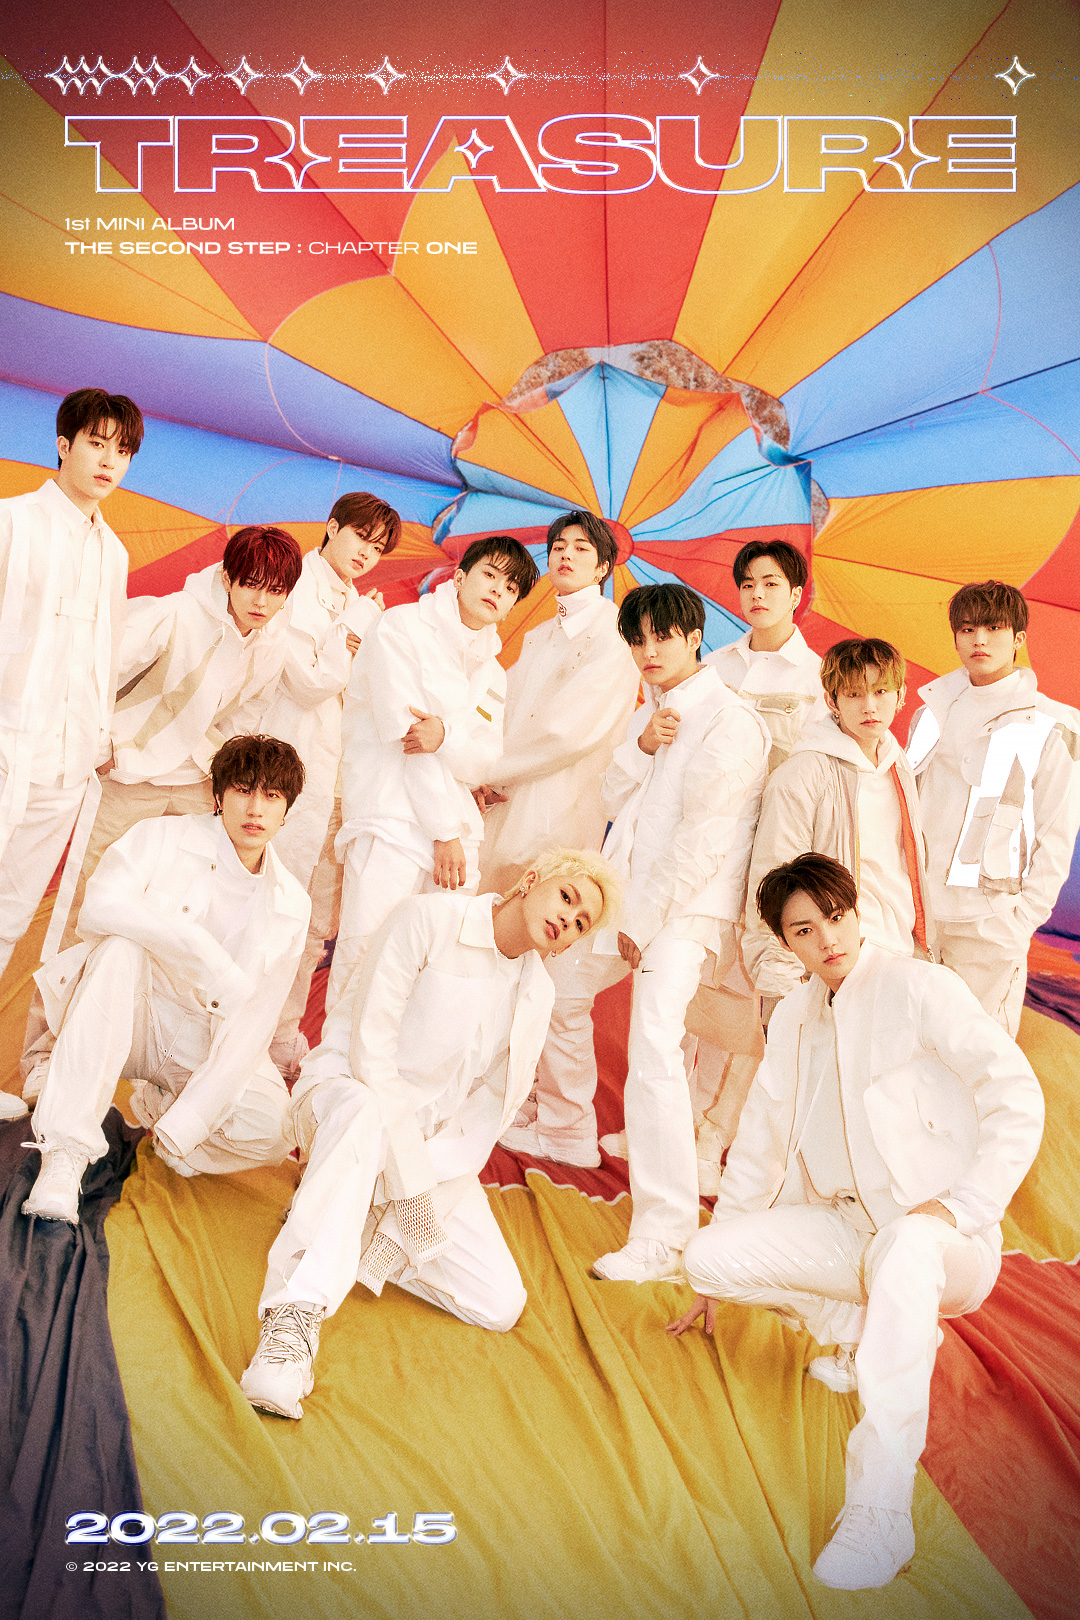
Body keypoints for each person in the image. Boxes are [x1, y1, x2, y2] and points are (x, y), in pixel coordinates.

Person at [671, 854, 1043, 1591]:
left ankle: (881, 1509)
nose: (827, 940)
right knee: (706, 1259)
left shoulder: (918, 987)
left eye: (835, 918)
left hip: (948, 1242)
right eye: (804, 931)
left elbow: (1017, 1094)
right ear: (787, 942)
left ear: (855, 912)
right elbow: (759, 1143)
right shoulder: (795, 1019)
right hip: (853, 1232)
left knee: (905, 1247)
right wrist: (714, 1283)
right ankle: (866, 1331)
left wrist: (962, 1205)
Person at [239, 847, 619, 1420]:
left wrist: (423, 1192)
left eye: (581, 923)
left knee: (500, 1302)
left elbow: (487, 1114)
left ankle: (344, 1214)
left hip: (428, 1152)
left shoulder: (536, 995)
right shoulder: (427, 918)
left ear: (568, 945)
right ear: (531, 879)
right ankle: (291, 1324)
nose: (568, 918)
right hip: (344, 1100)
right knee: (365, 1112)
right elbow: (370, 1051)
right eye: (567, 898)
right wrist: (409, 1181)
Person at [508, 584, 769, 1280]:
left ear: (694, 637)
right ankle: (568, 1127)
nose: (649, 652)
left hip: (686, 913)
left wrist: (647, 923)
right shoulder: (650, 714)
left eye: (663, 637)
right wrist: (643, 747)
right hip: (626, 897)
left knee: (654, 1051)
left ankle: (665, 1235)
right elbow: (611, 797)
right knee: (558, 989)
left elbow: (705, 839)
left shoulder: (730, 721)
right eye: (638, 640)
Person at [21, 736, 311, 1226]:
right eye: (243, 790)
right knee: (120, 949)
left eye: (272, 796)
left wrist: (190, 1123)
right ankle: (65, 1157)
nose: (255, 809)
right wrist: (206, 956)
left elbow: (255, 1021)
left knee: (276, 1128)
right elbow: (100, 907)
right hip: (130, 1009)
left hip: (200, 1039)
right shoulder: (160, 836)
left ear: (287, 811)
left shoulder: (292, 902)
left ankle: (160, 1109)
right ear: (218, 796)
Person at [49, 524, 303, 952]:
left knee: (183, 896)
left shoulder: (273, 642)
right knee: (92, 890)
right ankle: (60, 997)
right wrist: (105, 746)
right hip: (130, 775)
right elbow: (97, 670)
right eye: (252, 585)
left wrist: (222, 778)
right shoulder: (177, 613)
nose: (262, 602)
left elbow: (247, 714)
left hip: (199, 784)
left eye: (275, 591)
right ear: (228, 578)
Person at [327, 535, 539, 1008]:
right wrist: (443, 830)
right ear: (460, 577)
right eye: (490, 575)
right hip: (391, 817)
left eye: (510, 588)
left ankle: (398, 1057)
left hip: (459, 837)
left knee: (432, 967)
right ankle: (337, 1056)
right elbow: (408, 741)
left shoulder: (493, 672)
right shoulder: (401, 627)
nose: (497, 590)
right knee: (366, 955)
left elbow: (484, 759)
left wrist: (447, 735)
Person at [0, 388, 143, 983]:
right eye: (97, 443)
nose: (109, 461)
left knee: (9, 916)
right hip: (6, 742)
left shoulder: (115, 553)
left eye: (123, 451)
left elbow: (105, 655)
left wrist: (98, 739)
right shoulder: (11, 521)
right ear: (64, 445)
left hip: (64, 769)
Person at [256, 492, 401, 1078]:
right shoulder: (295, 584)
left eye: (378, 547)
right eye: (360, 537)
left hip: (342, 781)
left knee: (316, 924)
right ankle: (240, 1037)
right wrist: (357, 628)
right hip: (288, 771)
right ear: (332, 527)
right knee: (269, 908)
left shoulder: (361, 604)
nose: (367, 553)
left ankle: (281, 1036)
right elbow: (307, 681)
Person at [908, 580, 1080, 1036]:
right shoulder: (929, 712)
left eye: (993, 628)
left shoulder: (1054, 725)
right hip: (917, 914)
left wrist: (1019, 922)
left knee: (982, 1053)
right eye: (967, 629)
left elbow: (1056, 835)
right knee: (912, 1046)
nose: (979, 639)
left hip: (990, 920)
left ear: (1018, 637)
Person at [743, 638, 934, 1020]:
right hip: (834, 965)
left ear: (900, 696)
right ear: (831, 700)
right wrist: (781, 987)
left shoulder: (899, 766)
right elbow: (772, 881)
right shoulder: (803, 773)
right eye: (854, 694)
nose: (869, 706)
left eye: (881, 692)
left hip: (899, 955)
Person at [476, 510, 639, 894]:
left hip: (563, 806)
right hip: (504, 800)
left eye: (581, 548)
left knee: (541, 906)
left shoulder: (615, 633)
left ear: (602, 568)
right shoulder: (538, 634)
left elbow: (568, 732)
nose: (566, 554)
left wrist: (487, 770)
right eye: (558, 547)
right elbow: (498, 707)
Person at [703, 538, 824, 773]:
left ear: (796, 595)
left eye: (770, 584)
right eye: (748, 585)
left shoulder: (818, 678)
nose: (757, 594)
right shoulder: (712, 667)